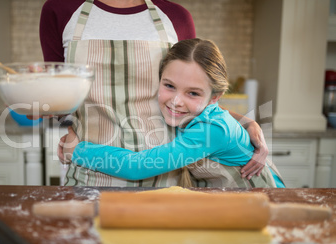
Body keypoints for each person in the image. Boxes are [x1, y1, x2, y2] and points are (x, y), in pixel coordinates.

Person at [41, 0, 269, 186]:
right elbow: (58, 100)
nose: (177, 99)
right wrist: (31, 103)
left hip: (167, 181)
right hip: (88, 177)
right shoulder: (60, 11)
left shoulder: (176, 17)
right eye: (167, 85)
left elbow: (197, 94)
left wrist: (246, 122)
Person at [61, 38, 285, 188]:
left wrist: (77, 150)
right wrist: (248, 121)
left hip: (270, 203)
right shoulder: (204, 117)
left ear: (214, 97)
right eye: (169, 86)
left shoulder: (211, 131)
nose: (176, 102)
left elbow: (138, 166)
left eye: (193, 93)